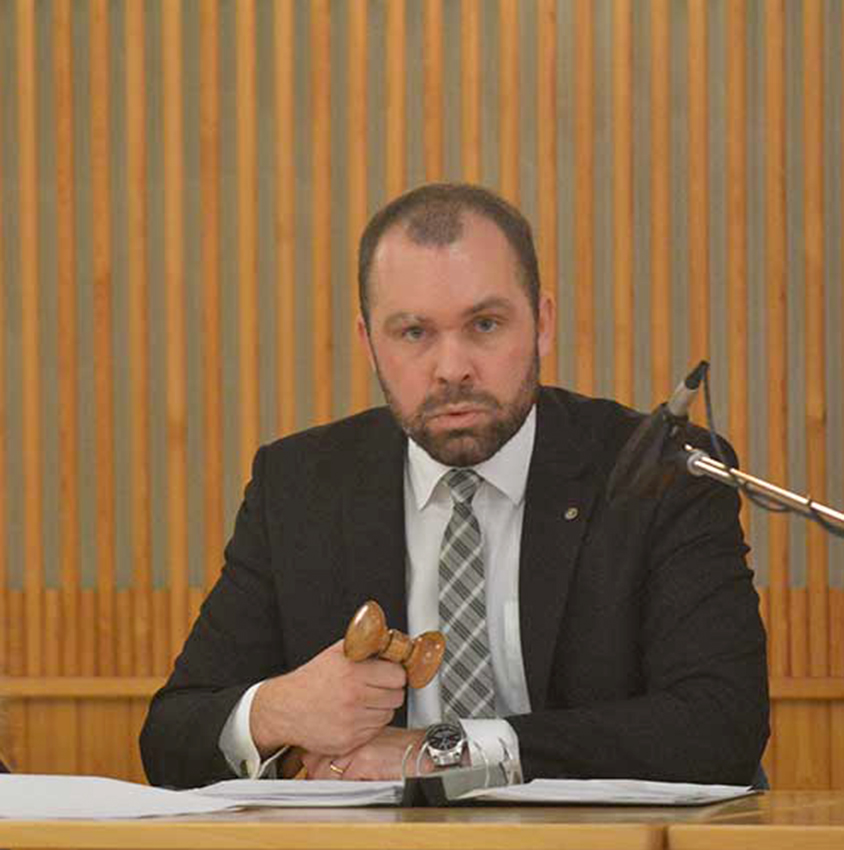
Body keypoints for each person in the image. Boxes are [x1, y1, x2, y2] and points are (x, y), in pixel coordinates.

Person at [140, 183, 769, 789]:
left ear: (542, 323)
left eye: (485, 325)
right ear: (369, 343)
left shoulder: (659, 472)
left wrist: (446, 752)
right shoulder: (299, 486)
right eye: (413, 333)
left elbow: (722, 725)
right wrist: (277, 711)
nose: (452, 369)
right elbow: (170, 739)